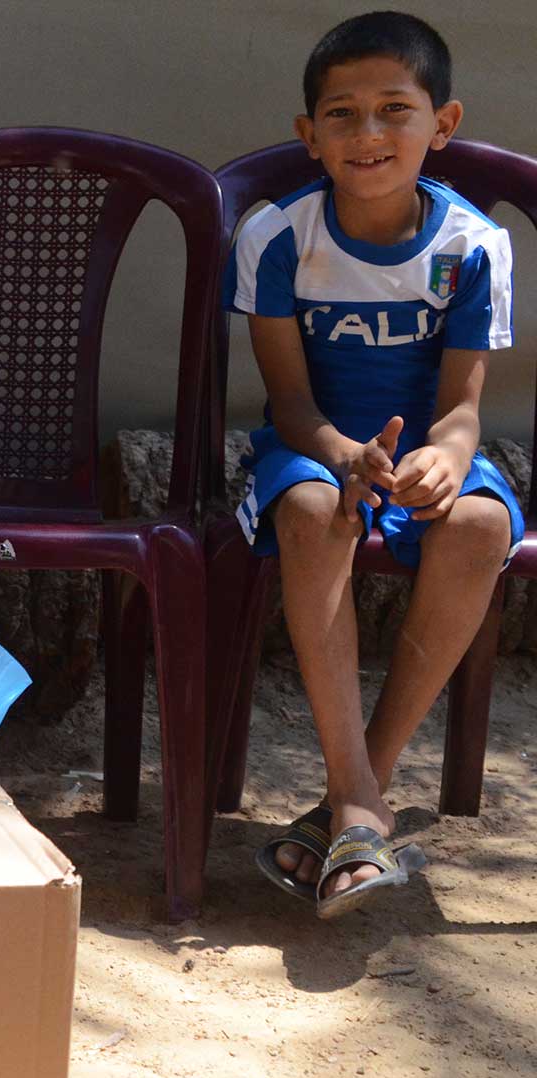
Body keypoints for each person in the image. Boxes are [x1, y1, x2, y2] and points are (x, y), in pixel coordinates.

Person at [231, 11, 520, 918]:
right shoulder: (277, 236)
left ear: (444, 124)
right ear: (307, 136)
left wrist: (446, 455)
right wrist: (344, 455)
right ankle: (360, 801)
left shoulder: (472, 247)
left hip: (425, 452)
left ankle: (356, 798)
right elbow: (288, 400)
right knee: (315, 515)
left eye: (395, 109)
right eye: (343, 115)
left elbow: (466, 409)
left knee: (479, 523)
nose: (369, 134)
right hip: (314, 449)